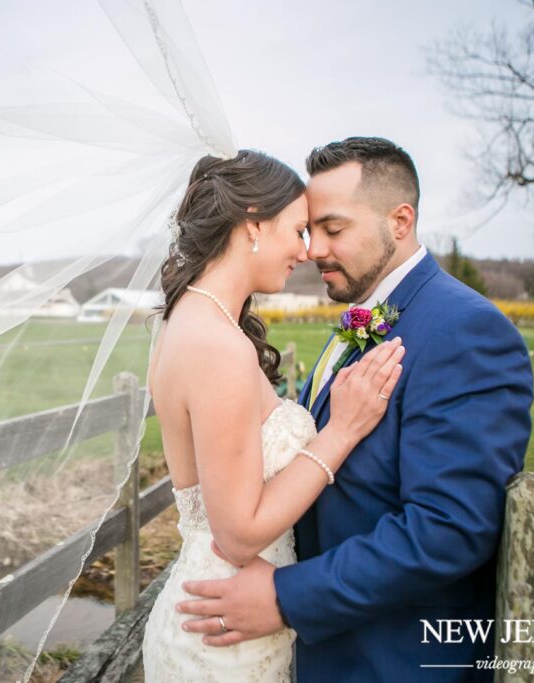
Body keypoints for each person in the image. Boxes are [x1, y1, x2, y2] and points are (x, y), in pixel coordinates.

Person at [176, 137, 534, 682]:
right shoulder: (359, 320)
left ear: (399, 220)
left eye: (333, 229)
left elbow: (449, 526)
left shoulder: (466, 331)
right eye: (308, 229)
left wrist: (285, 596)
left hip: (394, 660)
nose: (314, 248)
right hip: (323, 650)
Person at [141, 148, 406, 681]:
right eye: (298, 230)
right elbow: (238, 533)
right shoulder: (218, 346)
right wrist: (342, 431)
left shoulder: (185, 321)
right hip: (226, 633)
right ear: (253, 224)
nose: (306, 251)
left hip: (219, 608)